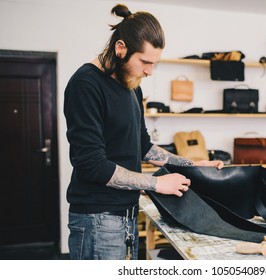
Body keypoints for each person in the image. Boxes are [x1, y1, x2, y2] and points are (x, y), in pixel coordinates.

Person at [63, 4, 224, 260]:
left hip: (127, 213)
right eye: (145, 62)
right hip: (97, 219)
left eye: (154, 63)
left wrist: (191, 165)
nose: (150, 71)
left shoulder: (132, 86)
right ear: (120, 48)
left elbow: (143, 145)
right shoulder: (86, 84)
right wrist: (158, 183)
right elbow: (92, 165)